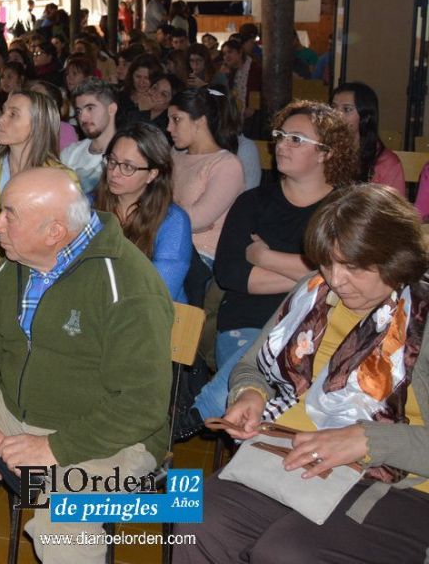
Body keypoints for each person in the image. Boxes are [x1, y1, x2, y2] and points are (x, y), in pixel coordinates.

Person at [0, 168, 173, 564]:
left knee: (64, 518)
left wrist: (54, 448)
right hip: (15, 416)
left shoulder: (127, 287)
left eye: (9, 214)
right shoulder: (16, 264)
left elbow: (143, 405)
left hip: (111, 437)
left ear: (54, 232)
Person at [174, 184, 429, 564]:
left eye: (354, 267)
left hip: (398, 480)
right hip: (293, 452)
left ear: (396, 258)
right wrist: (250, 394)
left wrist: (367, 439)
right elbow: (252, 365)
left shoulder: (420, 322)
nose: (337, 280)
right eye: (328, 263)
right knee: (197, 519)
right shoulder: (312, 293)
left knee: (289, 552)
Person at [179, 100, 356, 433]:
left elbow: (351, 278)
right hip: (246, 323)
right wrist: (316, 273)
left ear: (326, 153)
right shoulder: (253, 202)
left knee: (294, 350)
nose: (281, 145)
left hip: (320, 330)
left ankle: (195, 416)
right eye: (280, 135)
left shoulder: (346, 209)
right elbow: (231, 275)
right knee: (268, 351)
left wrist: (264, 258)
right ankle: (199, 417)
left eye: (296, 139)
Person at [0, 90, 76, 267]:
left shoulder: (62, 181)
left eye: (13, 114)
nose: (0, 120)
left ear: (38, 124)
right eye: (3, 112)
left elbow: (70, 242)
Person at [94, 124, 192, 302]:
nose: (115, 172)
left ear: (152, 174)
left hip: (146, 314)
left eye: (128, 167)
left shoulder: (173, 221)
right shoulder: (88, 205)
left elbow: (160, 289)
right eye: (112, 161)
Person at [167, 88, 245, 267]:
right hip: (167, 245)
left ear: (200, 121)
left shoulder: (226, 164)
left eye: (176, 119)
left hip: (202, 256)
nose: (169, 128)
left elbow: (197, 219)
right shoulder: (175, 155)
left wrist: (160, 212)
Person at [329, 81, 405, 195]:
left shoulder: (386, 163)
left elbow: (393, 210)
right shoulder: (322, 152)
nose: (336, 115)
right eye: (333, 107)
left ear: (366, 117)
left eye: (347, 109)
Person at [61, 79, 120, 194]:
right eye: (79, 111)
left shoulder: (128, 155)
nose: (82, 118)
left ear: (111, 109)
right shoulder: (70, 153)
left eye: (90, 108)